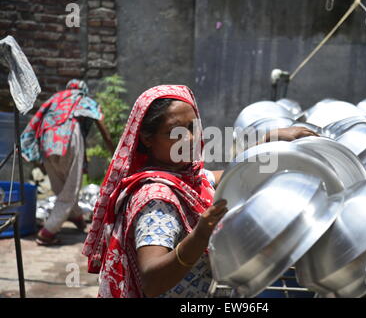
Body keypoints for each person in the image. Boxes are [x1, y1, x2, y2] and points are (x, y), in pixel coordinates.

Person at [82, 85, 319, 298]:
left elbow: (229, 177)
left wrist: (269, 141)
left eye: (193, 127)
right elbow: (152, 281)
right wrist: (200, 235)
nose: (191, 138)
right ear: (146, 138)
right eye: (176, 132)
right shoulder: (157, 199)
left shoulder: (185, 178)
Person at [20, 79, 115, 245]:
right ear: (82, 90)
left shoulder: (55, 99)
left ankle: (76, 217)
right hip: (69, 138)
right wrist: (114, 150)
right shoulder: (82, 99)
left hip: (46, 140)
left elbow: (36, 119)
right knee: (70, 188)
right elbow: (99, 120)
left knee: (60, 186)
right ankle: (47, 232)